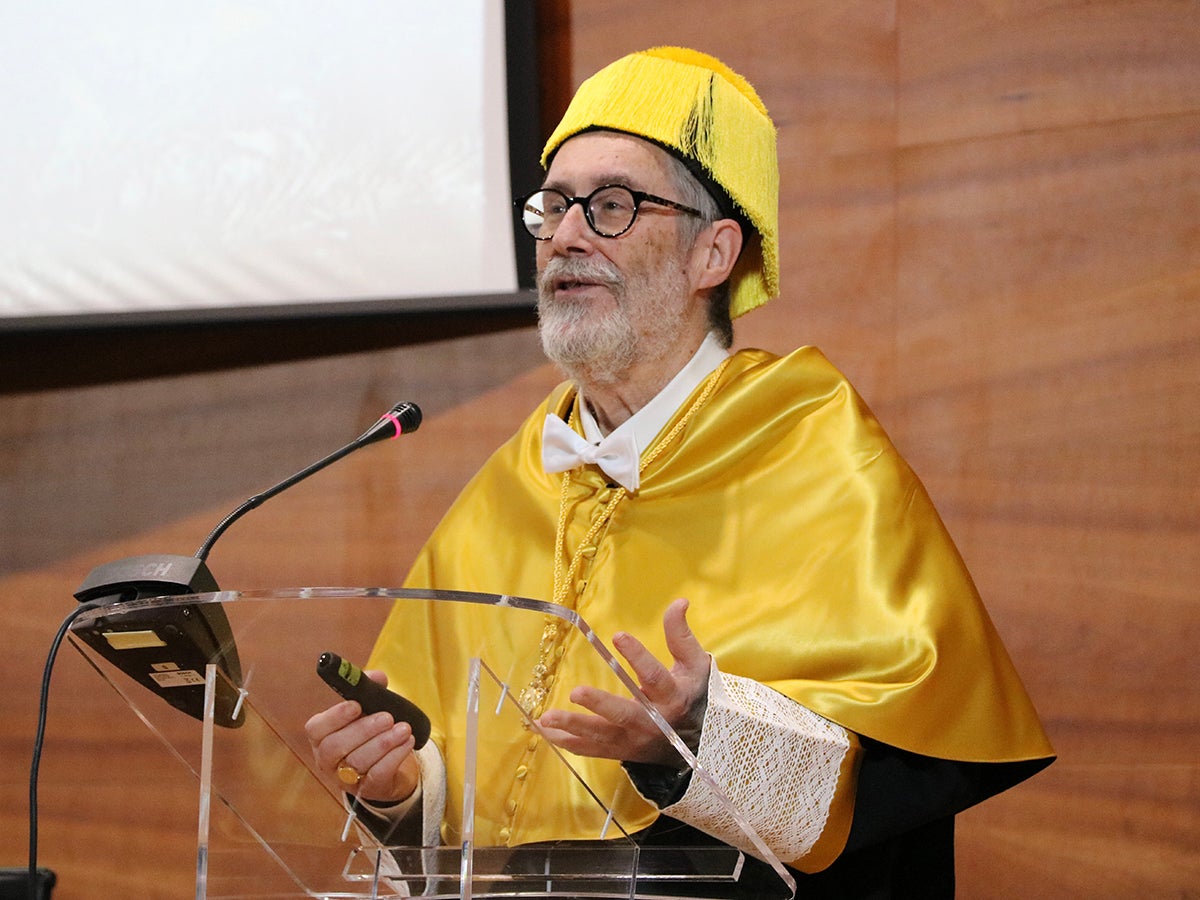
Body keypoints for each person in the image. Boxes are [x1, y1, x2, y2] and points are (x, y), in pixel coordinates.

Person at [306, 46, 1054, 897]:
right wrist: (400, 791)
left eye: (612, 205)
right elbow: (470, 793)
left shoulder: (813, 447)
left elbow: (896, 767)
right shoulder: (515, 476)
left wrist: (697, 736)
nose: (567, 235)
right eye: (552, 206)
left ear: (714, 254)